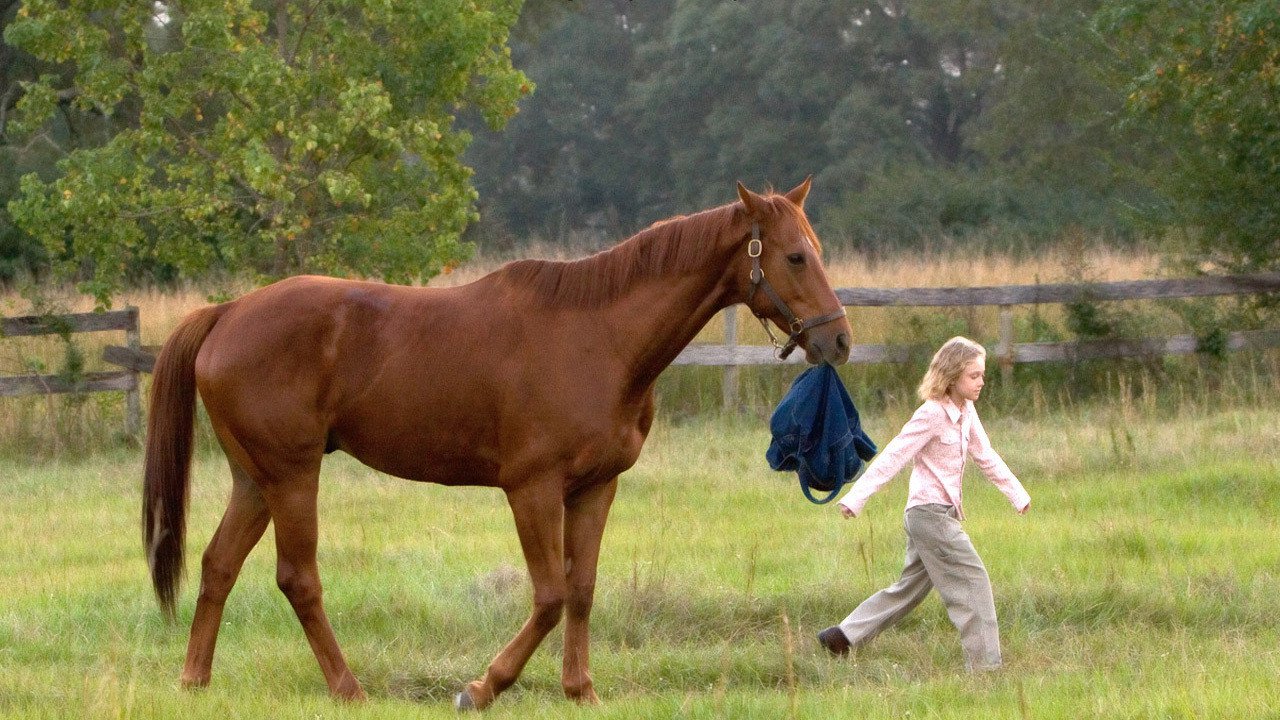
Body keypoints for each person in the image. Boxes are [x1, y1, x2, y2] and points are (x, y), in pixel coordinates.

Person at [816, 336, 1030, 671]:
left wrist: (1017, 495)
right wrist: (856, 498)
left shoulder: (966, 411)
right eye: (974, 376)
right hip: (929, 516)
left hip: (937, 516)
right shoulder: (931, 414)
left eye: (982, 375)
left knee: (908, 590)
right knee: (973, 581)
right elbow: (893, 457)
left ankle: (843, 636)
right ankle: (986, 668)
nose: (981, 382)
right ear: (951, 376)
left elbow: (984, 456)